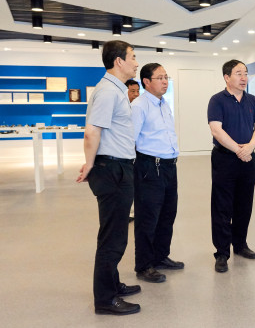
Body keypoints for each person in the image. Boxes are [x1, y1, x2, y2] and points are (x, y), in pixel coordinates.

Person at [76, 40, 141, 316]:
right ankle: (105, 299)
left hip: (118, 166)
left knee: (116, 233)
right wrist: (90, 164)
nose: (136, 63)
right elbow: (92, 131)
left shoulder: (115, 90)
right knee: (112, 238)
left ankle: (113, 285)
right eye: (133, 57)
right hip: (111, 168)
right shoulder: (107, 92)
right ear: (119, 61)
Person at [208, 60, 255, 273]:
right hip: (225, 159)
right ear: (226, 77)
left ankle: (240, 245)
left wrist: (249, 147)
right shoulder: (217, 100)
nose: (244, 78)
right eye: (238, 73)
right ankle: (222, 253)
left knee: (244, 204)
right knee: (222, 206)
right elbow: (217, 130)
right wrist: (238, 150)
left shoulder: (252, 100)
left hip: (248, 159)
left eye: (245, 73)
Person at [131, 63, 184, 284]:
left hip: (169, 166)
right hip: (149, 167)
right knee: (147, 218)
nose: (165, 81)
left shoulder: (163, 103)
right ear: (146, 82)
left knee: (167, 215)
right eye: (160, 78)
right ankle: (144, 265)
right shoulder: (139, 106)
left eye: (166, 77)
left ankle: (161, 257)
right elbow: (131, 140)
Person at [125, 79, 140, 223]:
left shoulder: (139, 107)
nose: (136, 94)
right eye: (132, 91)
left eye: (137, 91)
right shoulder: (123, 109)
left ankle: (135, 210)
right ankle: (128, 211)